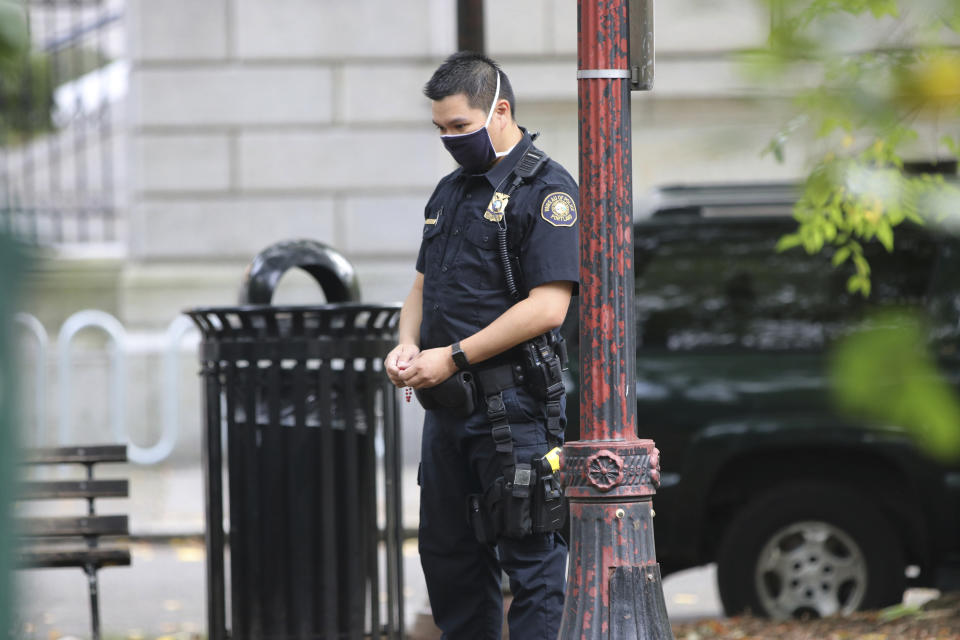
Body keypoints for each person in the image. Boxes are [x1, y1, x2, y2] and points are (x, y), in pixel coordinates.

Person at [384, 51, 579, 640]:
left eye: (460, 127)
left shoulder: (547, 189)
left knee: (533, 565)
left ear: (500, 111)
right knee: (450, 563)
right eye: (441, 129)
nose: (449, 139)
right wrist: (407, 344)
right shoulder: (451, 192)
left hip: (514, 410)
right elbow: (422, 285)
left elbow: (549, 307)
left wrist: (456, 355)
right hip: (449, 411)